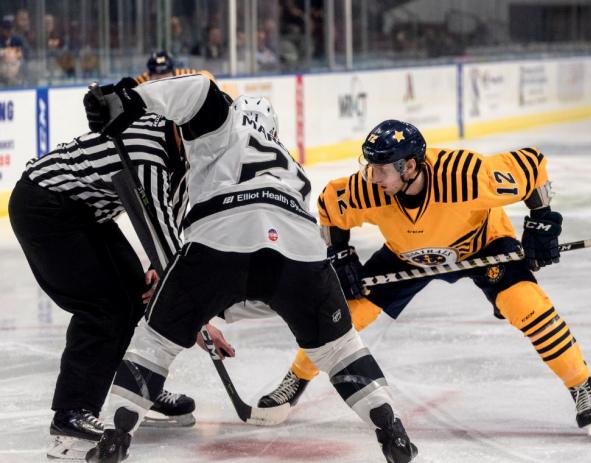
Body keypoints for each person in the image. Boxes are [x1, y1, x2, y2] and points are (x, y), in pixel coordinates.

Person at [81, 75, 418, 463]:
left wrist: (127, 99)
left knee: (155, 345)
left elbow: (198, 91)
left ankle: (115, 436)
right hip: (298, 253)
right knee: (341, 350)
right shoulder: (292, 166)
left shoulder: (222, 126)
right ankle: (392, 430)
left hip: (220, 241)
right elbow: (268, 280)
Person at [258, 119, 591, 440]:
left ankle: (583, 386)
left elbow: (531, 166)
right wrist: (340, 252)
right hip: (405, 254)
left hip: (481, 244)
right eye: (369, 168)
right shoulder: (368, 189)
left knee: (525, 305)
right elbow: (330, 205)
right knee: (344, 315)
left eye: (380, 170)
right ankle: (297, 377)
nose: (372, 178)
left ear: (409, 166)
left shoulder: (465, 176)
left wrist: (541, 218)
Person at [7, 108, 232, 459]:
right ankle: (71, 414)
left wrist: (162, 271)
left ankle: (138, 390)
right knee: (105, 306)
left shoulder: (179, 149)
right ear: (180, 126)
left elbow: (169, 227)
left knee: (134, 294)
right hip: (45, 207)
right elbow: (171, 251)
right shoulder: (147, 155)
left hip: (85, 214)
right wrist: (199, 323)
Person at [134, 50, 214, 84]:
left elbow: (206, 76)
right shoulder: (140, 82)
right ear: (149, 76)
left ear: (173, 72)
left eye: (166, 77)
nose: (163, 82)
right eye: (157, 78)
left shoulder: (184, 76)